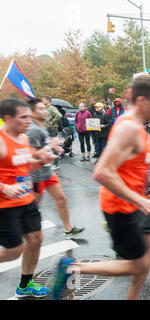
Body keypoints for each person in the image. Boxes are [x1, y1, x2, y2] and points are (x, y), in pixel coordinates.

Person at [51, 75, 150, 300]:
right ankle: (72, 268)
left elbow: (133, 155)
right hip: (123, 207)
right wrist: (140, 201)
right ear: (143, 100)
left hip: (136, 201)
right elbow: (102, 172)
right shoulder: (129, 128)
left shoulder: (135, 124)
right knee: (138, 265)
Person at [0, 98, 57, 298]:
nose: (28, 120)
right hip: (4, 206)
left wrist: (42, 160)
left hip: (26, 200)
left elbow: (26, 165)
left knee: (36, 239)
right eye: (23, 117)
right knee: (15, 250)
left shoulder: (23, 139)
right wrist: (4, 187)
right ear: (8, 118)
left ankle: (25, 284)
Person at [27, 99, 85, 239]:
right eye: (40, 109)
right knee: (33, 208)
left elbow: (45, 148)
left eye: (44, 108)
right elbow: (32, 153)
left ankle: (68, 229)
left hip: (47, 173)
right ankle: (27, 234)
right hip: (36, 176)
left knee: (61, 199)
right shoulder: (33, 130)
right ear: (33, 113)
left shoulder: (42, 127)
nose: (45, 111)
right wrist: (50, 147)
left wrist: (55, 147)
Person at [41, 95, 62, 170]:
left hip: (52, 129)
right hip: (45, 129)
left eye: (43, 100)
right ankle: (46, 162)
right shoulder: (44, 108)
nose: (42, 101)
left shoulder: (52, 108)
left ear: (48, 100)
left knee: (54, 147)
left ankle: (56, 164)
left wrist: (52, 122)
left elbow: (59, 115)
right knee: (45, 146)